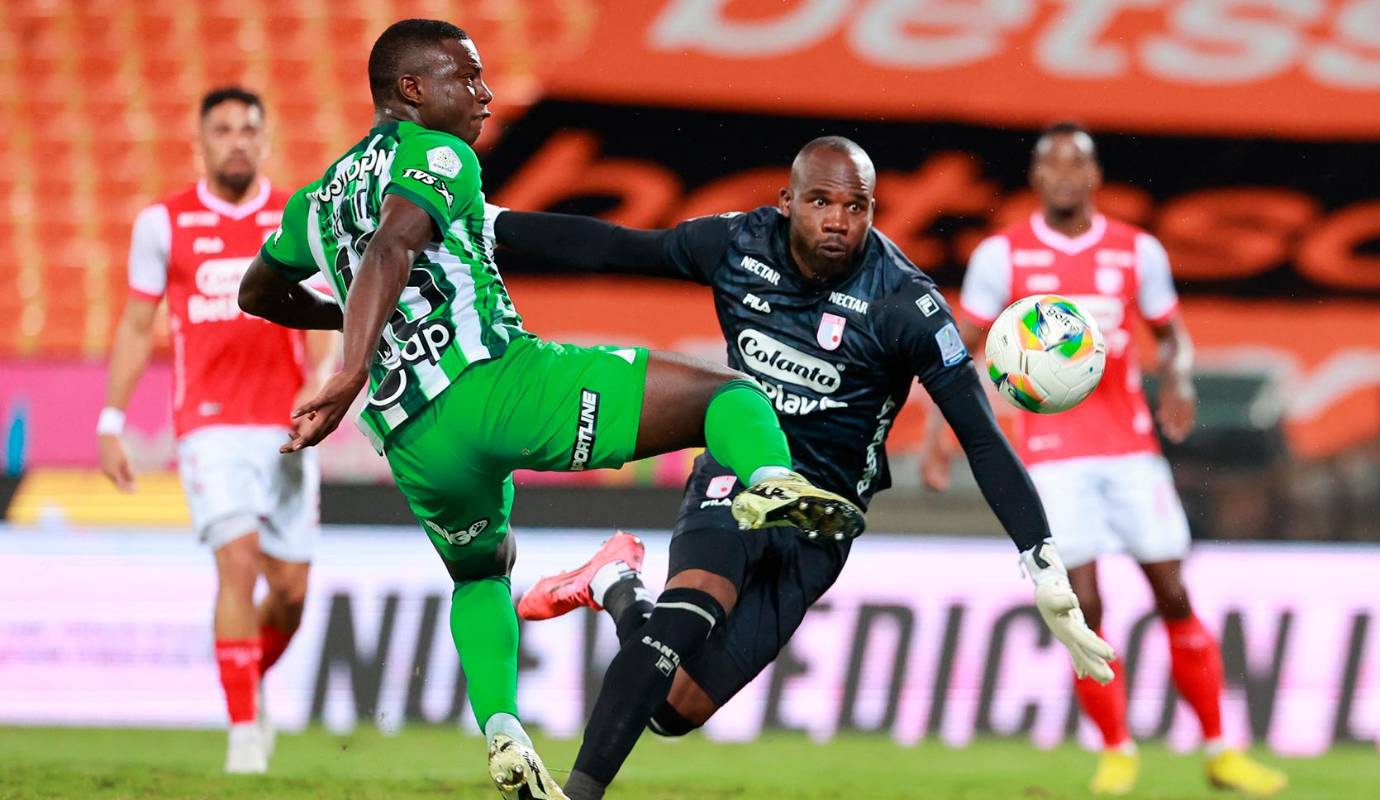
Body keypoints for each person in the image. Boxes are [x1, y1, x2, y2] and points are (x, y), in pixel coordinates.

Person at [235, 19, 860, 800]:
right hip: (497, 387)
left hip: (412, 440)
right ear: (411, 90)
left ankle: (503, 729)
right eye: (466, 78)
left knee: (481, 574)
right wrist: (350, 363)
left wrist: (363, 333)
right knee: (728, 396)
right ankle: (770, 479)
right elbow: (395, 244)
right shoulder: (439, 155)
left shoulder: (312, 202)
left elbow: (256, 291)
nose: (486, 96)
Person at [490, 136, 1114, 800]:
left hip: (826, 517)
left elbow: (982, 439)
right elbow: (616, 247)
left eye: (857, 206)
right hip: (740, 473)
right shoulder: (735, 247)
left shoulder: (905, 304)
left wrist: (1043, 564)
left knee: (672, 710)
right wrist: (491, 221)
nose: (839, 221)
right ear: (787, 202)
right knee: (685, 615)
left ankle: (615, 585)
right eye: (821, 202)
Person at [923, 122, 1287, 797]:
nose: (1064, 176)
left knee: (1173, 591)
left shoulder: (1135, 250)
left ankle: (1219, 751)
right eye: (1051, 165)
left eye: (1077, 165)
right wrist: (942, 434)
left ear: (1094, 177)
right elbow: (960, 348)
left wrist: (1177, 378)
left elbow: (1171, 335)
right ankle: (1117, 753)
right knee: (1082, 608)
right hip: (1054, 457)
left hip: (1131, 451)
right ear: (1036, 178)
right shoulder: (1003, 256)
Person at [99, 87, 337, 774]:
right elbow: (139, 324)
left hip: (289, 424)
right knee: (236, 563)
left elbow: (330, 314)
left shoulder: (299, 216)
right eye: (223, 129)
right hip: (207, 425)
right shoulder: (162, 223)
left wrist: (316, 382)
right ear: (200, 142)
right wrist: (112, 421)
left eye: (249, 129)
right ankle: (242, 737)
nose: (237, 139)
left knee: (290, 593)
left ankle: (247, 682)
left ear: (265, 141)